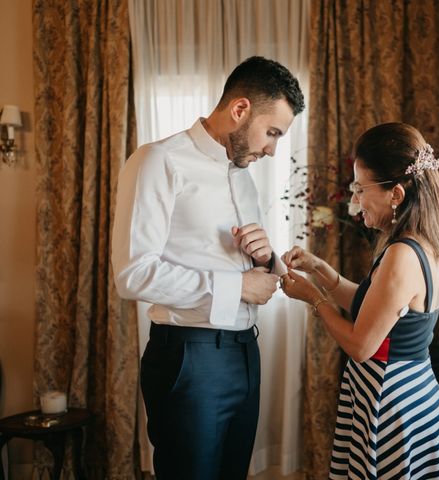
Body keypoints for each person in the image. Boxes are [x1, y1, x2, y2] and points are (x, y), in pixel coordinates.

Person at [111, 56, 305, 479]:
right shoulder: (158, 161)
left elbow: (252, 276)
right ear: (240, 110)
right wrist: (236, 286)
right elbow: (132, 273)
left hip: (245, 353)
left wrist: (266, 258)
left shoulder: (243, 176)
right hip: (189, 359)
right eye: (272, 132)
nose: (272, 149)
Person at [281, 122, 439, 479]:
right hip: (407, 388)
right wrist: (319, 268)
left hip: (392, 401)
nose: (355, 200)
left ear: (395, 194)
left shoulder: (402, 256)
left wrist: (313, 298)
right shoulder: (425, 242)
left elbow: (362, 345)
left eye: (361, 189)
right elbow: (370, 304)